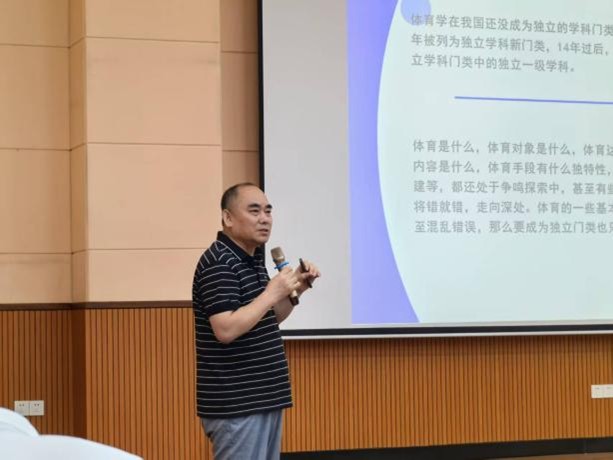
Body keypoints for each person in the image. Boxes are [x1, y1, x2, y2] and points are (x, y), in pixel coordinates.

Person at [192, 183, 320, 460]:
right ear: (228, 218)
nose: (264, 219)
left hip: (264, 398)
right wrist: (271, 292)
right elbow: (225, 329)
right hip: (238, 404)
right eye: (254, 211)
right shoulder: (219, 262)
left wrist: (297, 289)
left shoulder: (252, 258)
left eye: (268, 211)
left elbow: (268, 318)